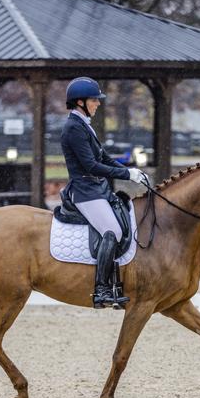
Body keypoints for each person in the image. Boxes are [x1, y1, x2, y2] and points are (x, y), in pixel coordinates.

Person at [60, 77, 148, 309]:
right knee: (113, 230)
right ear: (80, 102)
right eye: (94, 100)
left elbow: (104, 158)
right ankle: (101, 289)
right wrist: (126, 176)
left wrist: (129, 170)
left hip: (97, 189)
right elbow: (91, 166)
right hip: (85, 190)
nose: (98, 104)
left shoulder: (84, 125)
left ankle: (116, 284)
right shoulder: (73, 128)